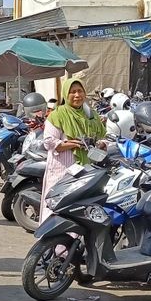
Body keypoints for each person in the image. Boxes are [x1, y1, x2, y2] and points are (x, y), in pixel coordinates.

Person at [40, 78, 106, 223]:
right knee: (56, 205)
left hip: (86, 170)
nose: (77, 95)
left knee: (79, 209)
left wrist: (101, 143)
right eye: (72, 92)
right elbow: (48, 142)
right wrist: (71, 144)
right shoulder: (58, 115)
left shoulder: (91, 115)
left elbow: (104, 136)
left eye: (80, 91)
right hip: (62, 170)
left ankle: (75, 242)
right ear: (65, 94)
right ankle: (54, 243)